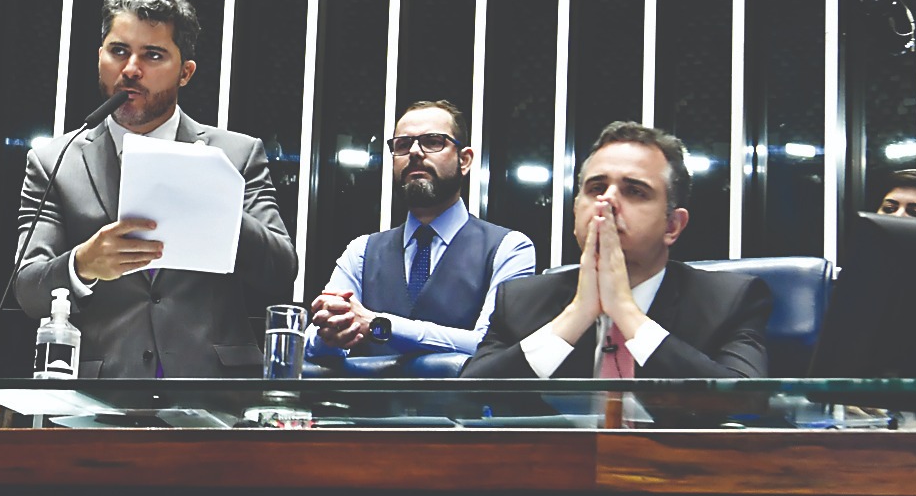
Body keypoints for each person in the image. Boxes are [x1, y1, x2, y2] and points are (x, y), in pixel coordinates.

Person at [12, 0, 298, 377]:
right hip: (98, 395)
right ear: (100, 58)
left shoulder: (235, 155)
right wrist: (83, 264)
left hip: (214, 394)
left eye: (153, 55)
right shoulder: (54, 161)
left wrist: (217, 200)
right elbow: (28, 290)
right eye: (118, 51)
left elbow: (280, 273)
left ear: (186, 73)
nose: (131, 69)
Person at [462, 122, 772, 378]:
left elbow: (747, 404)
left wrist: (625, 311)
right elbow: (464, 403)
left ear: (672, 226)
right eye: (596, 188)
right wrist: (576, 315)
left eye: (634, 191)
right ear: (575, 212)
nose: (606, 202)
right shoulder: (519, 300)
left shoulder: (730, 300)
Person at [306, 100, 535, 363]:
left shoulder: (510, 248)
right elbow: (313, 343)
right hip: (368, 405)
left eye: (433, 141)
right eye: (403, 145)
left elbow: (492, 347)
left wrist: (381, 326)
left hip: (464, 405)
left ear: (465, 160)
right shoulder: (361, 251)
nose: (415, 152)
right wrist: (331, 331)